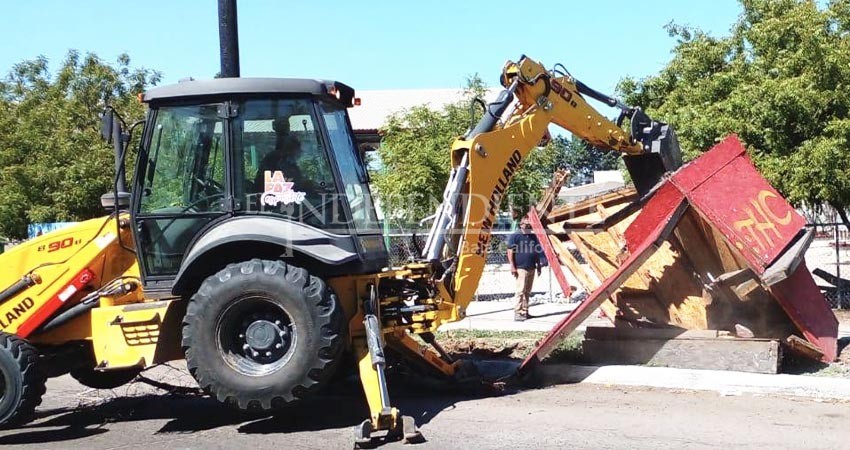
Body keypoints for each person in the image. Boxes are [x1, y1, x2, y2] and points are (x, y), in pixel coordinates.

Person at [507, 217, 544, 321]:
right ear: (521, 224)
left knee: (528, 291)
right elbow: (510, 251)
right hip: (520, 267)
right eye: (527, 225)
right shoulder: (516, 236)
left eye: (530, 226)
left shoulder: (532, 236)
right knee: (520, 290)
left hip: (531, 266)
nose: (528, 227)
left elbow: (536, 250)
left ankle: (525, 311)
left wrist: (538, 265)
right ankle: (518, 312)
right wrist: (512, 266)